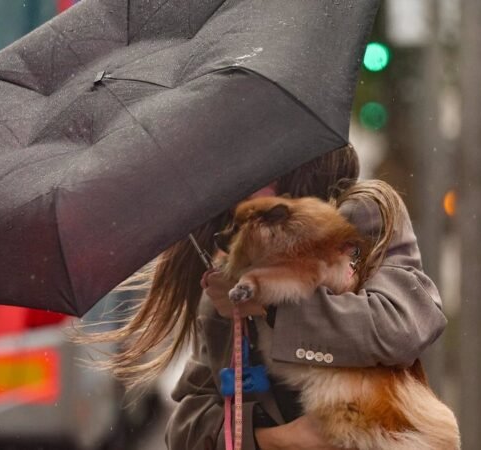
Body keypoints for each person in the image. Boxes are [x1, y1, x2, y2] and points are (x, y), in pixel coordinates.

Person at [80, 144, 447, 450]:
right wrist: (275, 438)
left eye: (259, 178)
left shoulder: (362, 214)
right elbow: (187, 424)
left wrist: (270, 301)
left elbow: (403, 325)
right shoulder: (230, 263)